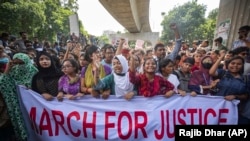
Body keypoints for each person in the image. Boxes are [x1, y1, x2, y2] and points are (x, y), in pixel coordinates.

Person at [0, 53, 38, 141]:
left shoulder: (34, 72)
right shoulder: (12, 72)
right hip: (18, 106)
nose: (19, 66)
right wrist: (8, 69)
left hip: (32, 106)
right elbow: (2, 84)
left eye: (21, 63)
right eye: (16, 63)